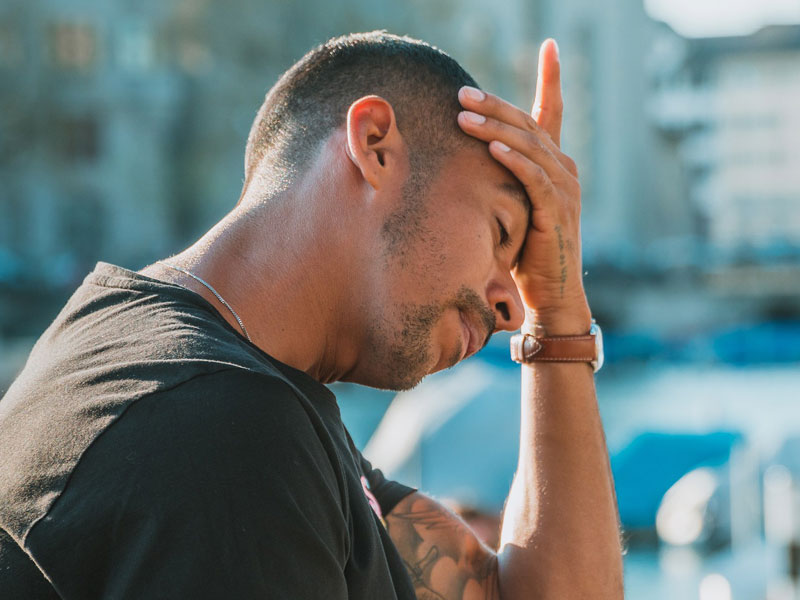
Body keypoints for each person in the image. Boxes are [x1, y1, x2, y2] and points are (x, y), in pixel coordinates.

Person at [0, 31, 623, 599]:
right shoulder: (223, 431)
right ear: (374, 144)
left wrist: (559, 314)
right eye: (500, 232)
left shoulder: (196, 381)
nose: (513, 308)